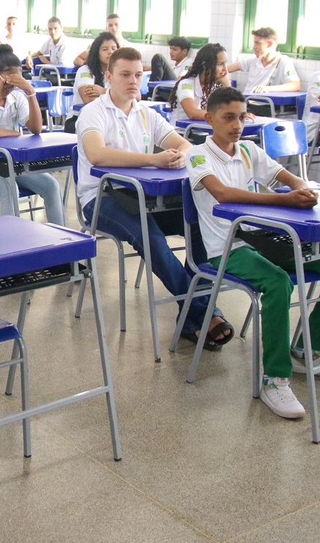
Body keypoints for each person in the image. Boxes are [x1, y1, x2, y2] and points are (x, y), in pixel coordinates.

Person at [187, 86, 320, 420]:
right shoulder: (198, 155)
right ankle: (274, 379)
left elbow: (283, 174)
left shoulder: (249, 149)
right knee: (278, 283)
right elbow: (222, 194)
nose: (236, 124)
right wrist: (284, 200)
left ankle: (308, 352)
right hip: (226, 248)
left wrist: (302, 188)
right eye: (228, 118)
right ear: (209, 119)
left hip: (262, 238)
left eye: (241, 117)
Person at [76, 47, 232, 347]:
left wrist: (175, 156)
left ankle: (191, 318)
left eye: (137, 75)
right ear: (109, 76)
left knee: (201, 221)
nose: (132, 81)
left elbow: (184, 145)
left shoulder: (146, 112)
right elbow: (96, 154)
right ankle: (204, 310)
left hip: (143, 197)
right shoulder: (93, 112)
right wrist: (153, 160)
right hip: (101, 199)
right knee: (152, 236)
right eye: (124, 74)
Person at [0, 51, 64, 224]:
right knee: (8, 187)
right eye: (7, 82)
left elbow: (36, 128)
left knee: (51, 185)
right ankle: (14, 243)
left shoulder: (17, 97)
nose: (10, 88)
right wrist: (16, 134)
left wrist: (30, 92)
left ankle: (64, 242)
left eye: (15, 84)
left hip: (12, 165)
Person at [227, 28, 300, 107]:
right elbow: (235, 66)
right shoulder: (254, 60)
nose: (254, 47)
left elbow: (296, 85)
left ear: (269, 44)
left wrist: (267, 89)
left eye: (257, 43)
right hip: (246, 102)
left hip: (264, 105)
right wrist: (219, 72)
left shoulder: (282, 61)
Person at [170, 43, 232, 122]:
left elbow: (232, 108)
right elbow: (192, 113)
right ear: (205, 65)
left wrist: (227, 86)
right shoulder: (186, 84)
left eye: (225, 63)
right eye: (220, 64)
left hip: (203, 130)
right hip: (182, 132)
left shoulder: (215, 85)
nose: (225, 69)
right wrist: (224, 116)